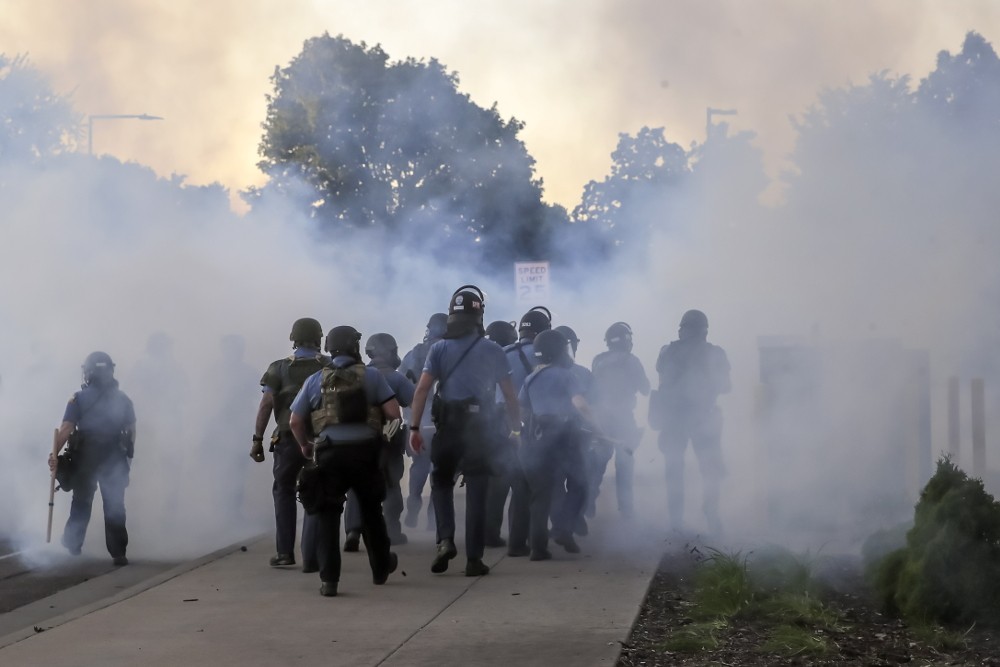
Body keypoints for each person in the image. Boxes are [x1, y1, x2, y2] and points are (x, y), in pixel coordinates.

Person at [409, 285, 521, 577]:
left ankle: (445, 539)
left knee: (442, 483)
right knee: (477, 492)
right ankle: (474, 559)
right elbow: (510, 396)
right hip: (480, 430)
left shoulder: (439, 348)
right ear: (479, 315)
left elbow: (422, 389)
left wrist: (414, 426)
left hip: (448, 428)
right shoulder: (493, 350)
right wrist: (516, 428)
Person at [289, 325, 401, 597]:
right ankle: (380, 568)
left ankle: (329, 581)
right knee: (372, 512)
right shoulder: (372, 376)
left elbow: (295, 420)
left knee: (328, 516)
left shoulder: (316, 379)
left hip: (329, 454)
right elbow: (394, 413)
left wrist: (305, 445)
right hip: (365, 453)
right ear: (355, 347)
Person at [253, 317, 331, 571]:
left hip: (287, 437)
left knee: (284, 491)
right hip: (322, 438)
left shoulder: (278, 368)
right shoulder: (329, 366)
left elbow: (266, 404)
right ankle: (315, 552)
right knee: (319, 492)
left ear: (294, 339)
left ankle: (285, 552)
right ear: (319, 339)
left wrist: (257, 439)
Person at [48, 352, 136, 565]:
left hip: (86, 457)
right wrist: (127, 462)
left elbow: (67, 429)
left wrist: (54, 455)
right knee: (114, 504)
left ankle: (73, 544)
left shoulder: (78, 398)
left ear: (88, 372)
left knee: (81, 502)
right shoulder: (123, 399)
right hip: (114, 456)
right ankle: (118, 553)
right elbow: (131, 434)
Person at [517, 329, 595, 560]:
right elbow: (580, 404)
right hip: (566, 436)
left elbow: (522, 410)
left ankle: (538, 548)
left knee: (542, 493)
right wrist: (597, 426)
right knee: (580, 483)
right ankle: (564, 528)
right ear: (560, 351)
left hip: (538, 437)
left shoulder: (530, 378)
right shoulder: (566, 375)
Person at [651, 309, 731, 534]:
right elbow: (726, 386)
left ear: (681, 330)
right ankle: (711, 512)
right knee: (710, 469)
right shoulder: (715, 353)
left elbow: (662, 375)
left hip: (673, 418)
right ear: (705, 331)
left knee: (674, 469)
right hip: (702, 417)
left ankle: (676, 520)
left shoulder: (667, 351)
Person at [343, 333, 414, 550]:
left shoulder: (355, 375)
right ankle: (392, 530)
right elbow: (412, 400)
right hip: (387, 440)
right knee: (391, 484)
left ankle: (353, 531)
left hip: (357, 440)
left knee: (355, 486)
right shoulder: (396, 377)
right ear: (391, 351)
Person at [501, 306, 552, 557]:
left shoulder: (503, 353)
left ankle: (515, 542)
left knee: (516, 483)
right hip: (530, 422)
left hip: (500, 422)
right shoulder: (545, 354)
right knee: (536, 484)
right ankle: (537, 542)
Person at [588, 322, 650, 519]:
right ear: (626, 340)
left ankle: (587, 505)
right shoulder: (631, 360)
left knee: (597, 465)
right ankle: (626, 511)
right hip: (623, 419)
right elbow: (645, 389)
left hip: (601, 420)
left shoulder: (598, 360)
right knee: (624, 466)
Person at [400, 312, 447, 530]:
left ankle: (413, 504)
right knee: (440, 470)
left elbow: (401, 384)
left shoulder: (413, 353)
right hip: (441, 423)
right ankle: (433, 519)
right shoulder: (450, 352)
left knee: (419, 465)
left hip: (416, 421)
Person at [551, 325, 593, 537]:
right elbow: (590, 404)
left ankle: (565, 522)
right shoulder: (582, 374)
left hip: (553, 436)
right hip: (577, 434)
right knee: (579, 481)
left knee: (558, 482)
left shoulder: (540, 374)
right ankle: (570, 520)